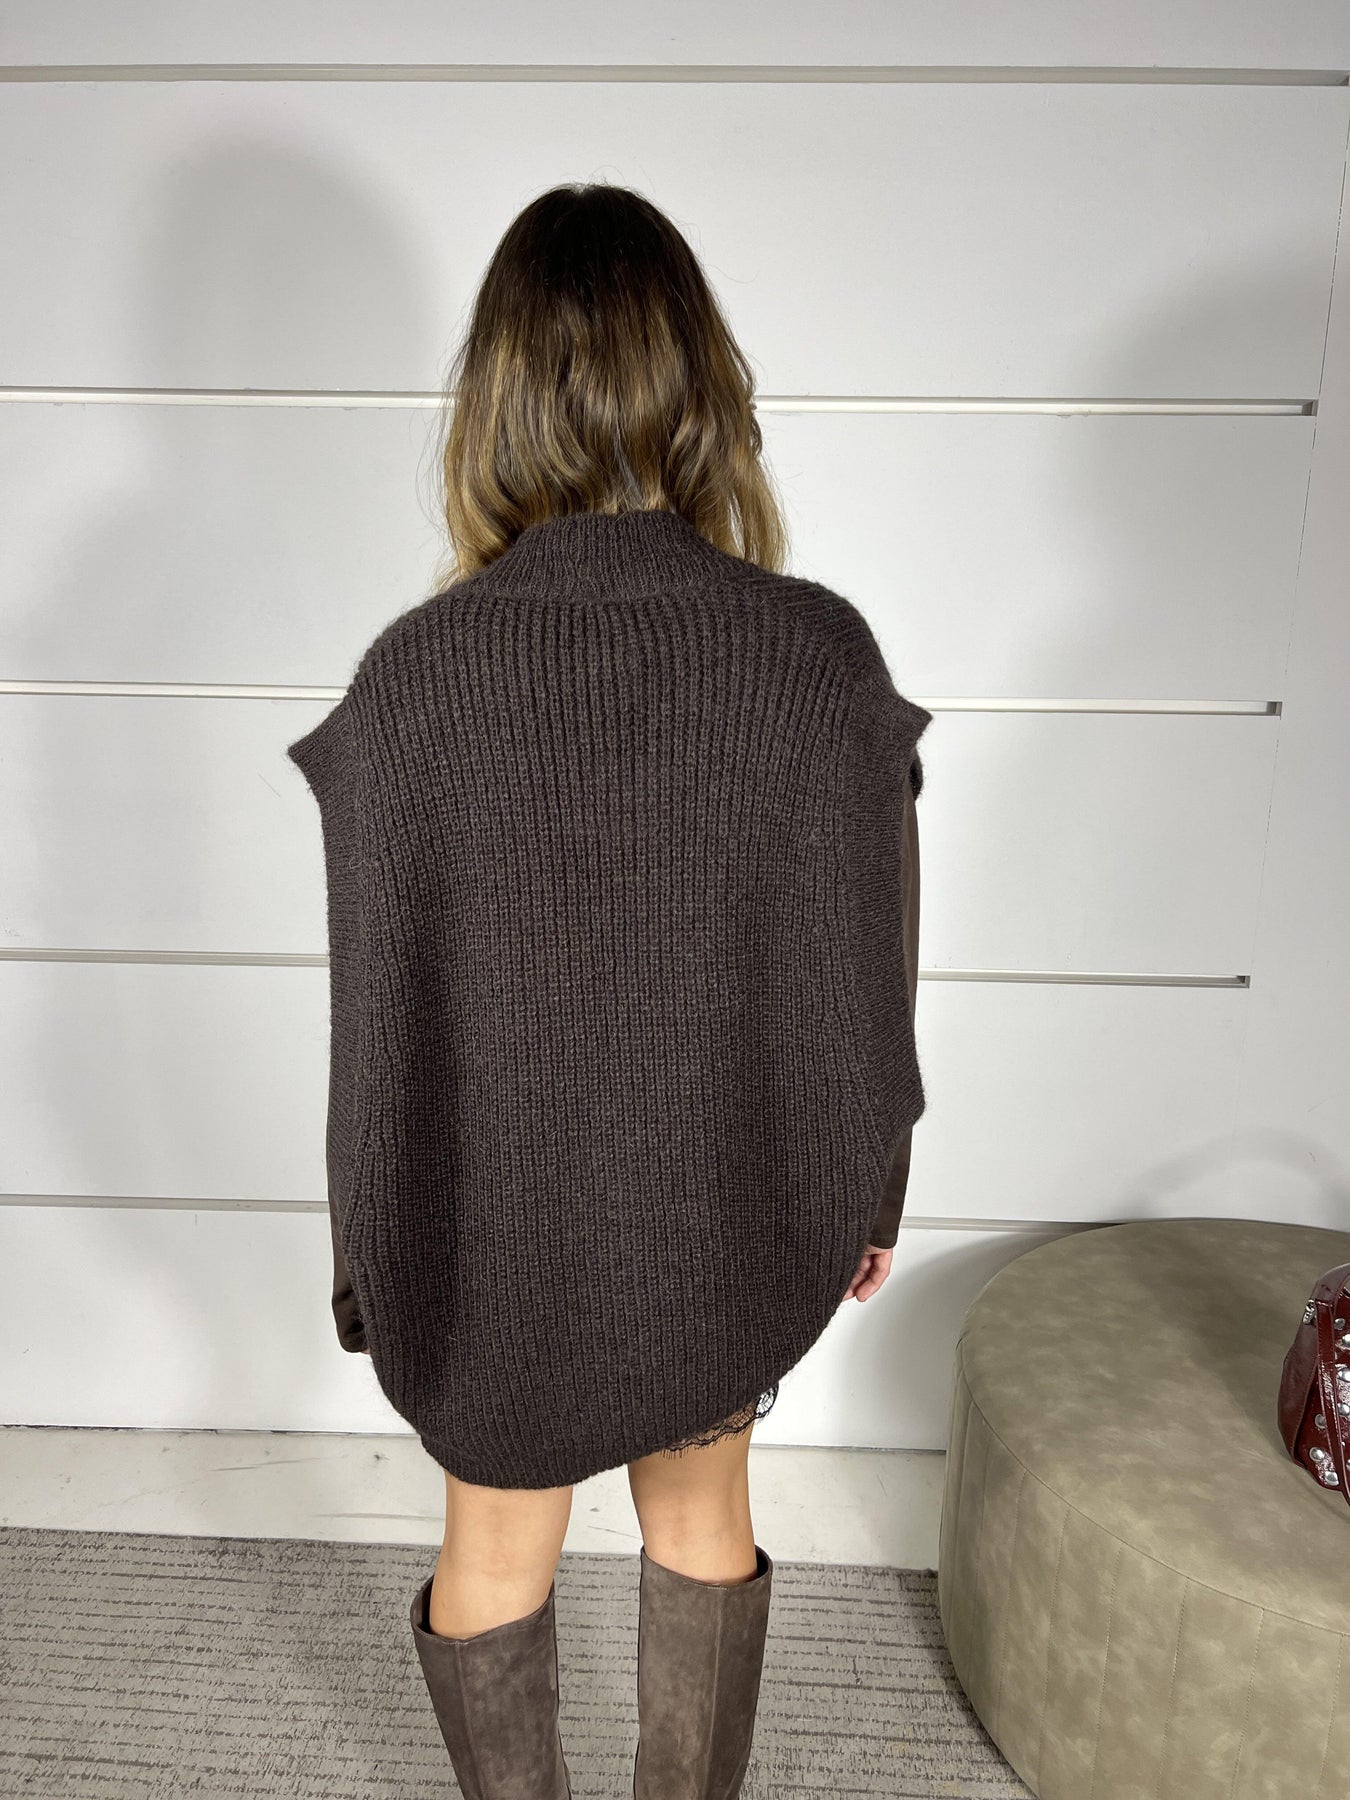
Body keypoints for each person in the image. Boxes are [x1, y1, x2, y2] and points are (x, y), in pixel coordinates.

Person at [288, 181, 929, 1800]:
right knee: (701, 1518)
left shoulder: (415, 678)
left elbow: (375, 1025)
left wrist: (368, 1260)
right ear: (700, 384)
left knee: (491, 1548)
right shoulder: (816, 656)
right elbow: (868, 969)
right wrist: (867, 1189)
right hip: (717, 1200)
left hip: (494, 1228)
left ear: (494, 400)